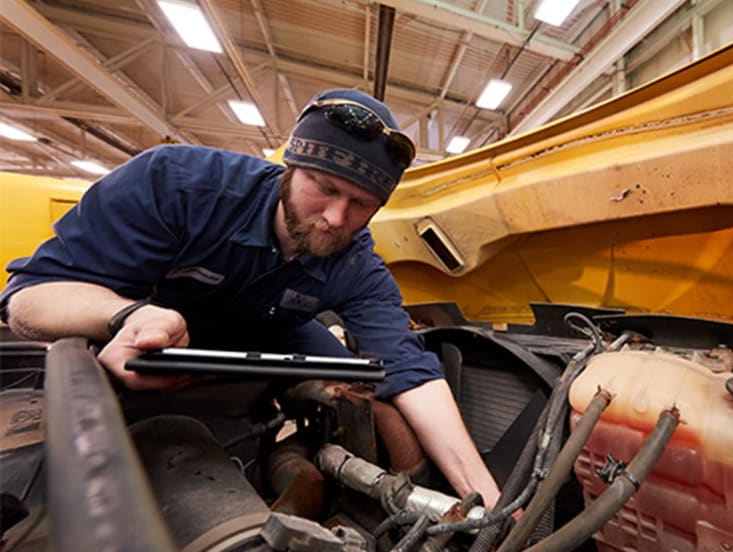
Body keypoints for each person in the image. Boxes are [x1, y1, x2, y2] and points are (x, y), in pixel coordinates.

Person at [0, 88, 500, 508]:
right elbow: (27, 301)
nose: (334, 218)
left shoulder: (355, 263)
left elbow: (410, 371)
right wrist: (124, 315)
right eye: (323, 188)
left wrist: (484, 498)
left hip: (267, 327)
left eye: (361, 205)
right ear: (291, 167)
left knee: (370, 388)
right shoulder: (177, 184)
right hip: (142, 336)